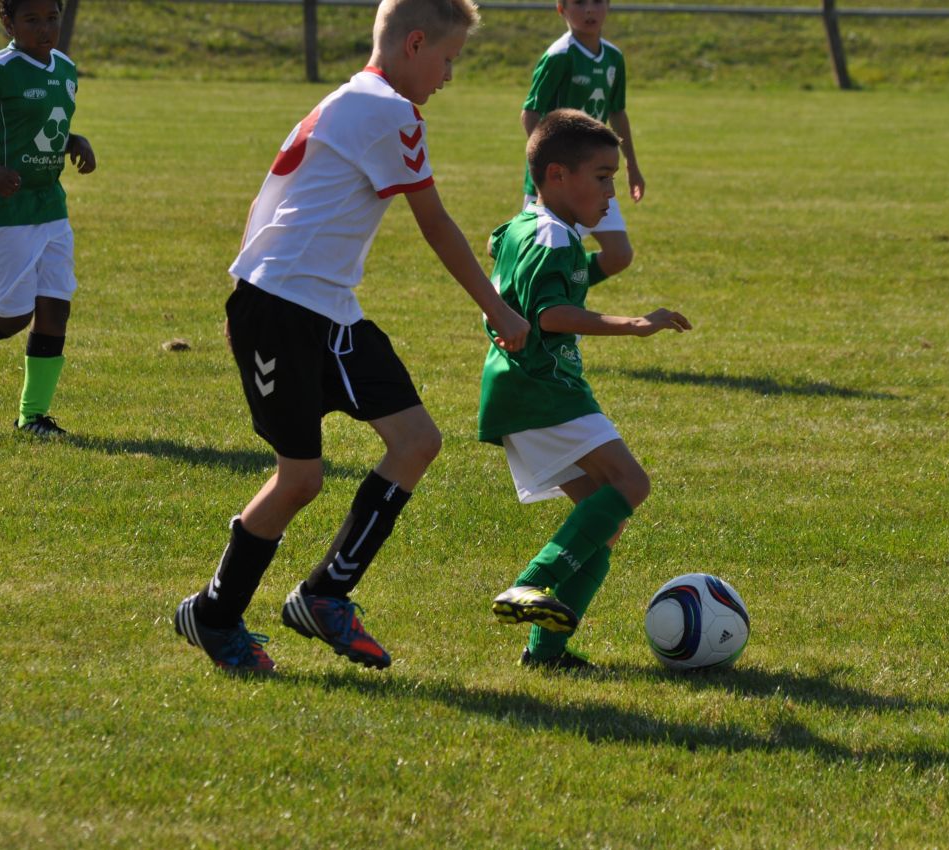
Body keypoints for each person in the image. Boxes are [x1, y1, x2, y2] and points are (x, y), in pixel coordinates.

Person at [173, 0, 530, 675]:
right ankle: (214, 614)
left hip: (323, 308)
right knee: (301, 479)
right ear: (415, 43)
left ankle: (324, 595)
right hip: (282, 309)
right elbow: (435, 223)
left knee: (416, 440)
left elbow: (270, 199)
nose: (449, 76)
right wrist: (499, 310)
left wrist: (244, 283)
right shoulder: (391, 111)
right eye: (448, 59)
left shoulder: (348, 99)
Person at [481, 109, 690, 670]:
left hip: (522, 387)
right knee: (631, 483)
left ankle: (546, 652)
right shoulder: (553, 236)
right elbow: (549, 314)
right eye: (601, 177)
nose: (610, 193)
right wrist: (634, 323)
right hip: (544, 387)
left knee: (605, 525)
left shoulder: (530, 226)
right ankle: (531, 583)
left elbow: (525, 277)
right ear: (557, 175)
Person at [0, 0, 96, 437]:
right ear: (8, 22)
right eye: (31, 19)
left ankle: (33, 418)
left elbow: (41, 127)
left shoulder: (65, 69)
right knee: (11, 316)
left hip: (49, 207)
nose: (44, 28)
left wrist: (74, 140)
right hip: (1, 212)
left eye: (52, 18)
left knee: (55, 307)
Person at [519, 0, 642, 286]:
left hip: (595, 174)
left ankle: (565, 287)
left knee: (619, 254)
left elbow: (617, 112)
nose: (589, 10)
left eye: (597, 1)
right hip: (558, 177)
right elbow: (530, 113)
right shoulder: (560, 56)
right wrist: (547, 164)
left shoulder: (614, 57)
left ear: (609, 5)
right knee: (534, 257)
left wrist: (632, 166)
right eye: (579, 2)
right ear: (560, 8)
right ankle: (520, 300)